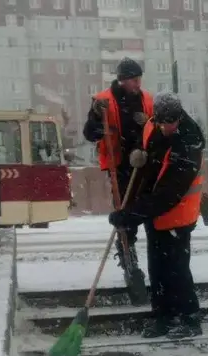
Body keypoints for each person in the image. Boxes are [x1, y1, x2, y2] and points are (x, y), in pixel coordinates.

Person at [108, 92, 206, 339]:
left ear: (179, 117)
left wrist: (131, 215)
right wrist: (140, 157)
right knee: (157, 269)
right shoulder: (156, 126)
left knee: (177, 269)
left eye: (170, 123)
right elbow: (150, 169)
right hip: (155, 215)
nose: (166, 128)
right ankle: (164, 316)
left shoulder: (188, 144)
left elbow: (167, 194)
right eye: (162, 123)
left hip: (178, 216)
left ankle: (190, 318)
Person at [82, 57, 153, 283]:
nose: (137, 83)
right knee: (125, 213)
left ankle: (154, 254)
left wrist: (148, 124)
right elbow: (90, 134)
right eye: (133, 79)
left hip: (144, 164)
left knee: (149, 210)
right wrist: (95, 115)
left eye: (139, 78)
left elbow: (159, 129)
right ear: (122, 80)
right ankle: (128, 257)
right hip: (119, 167)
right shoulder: (104, 101)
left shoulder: (147, 100)